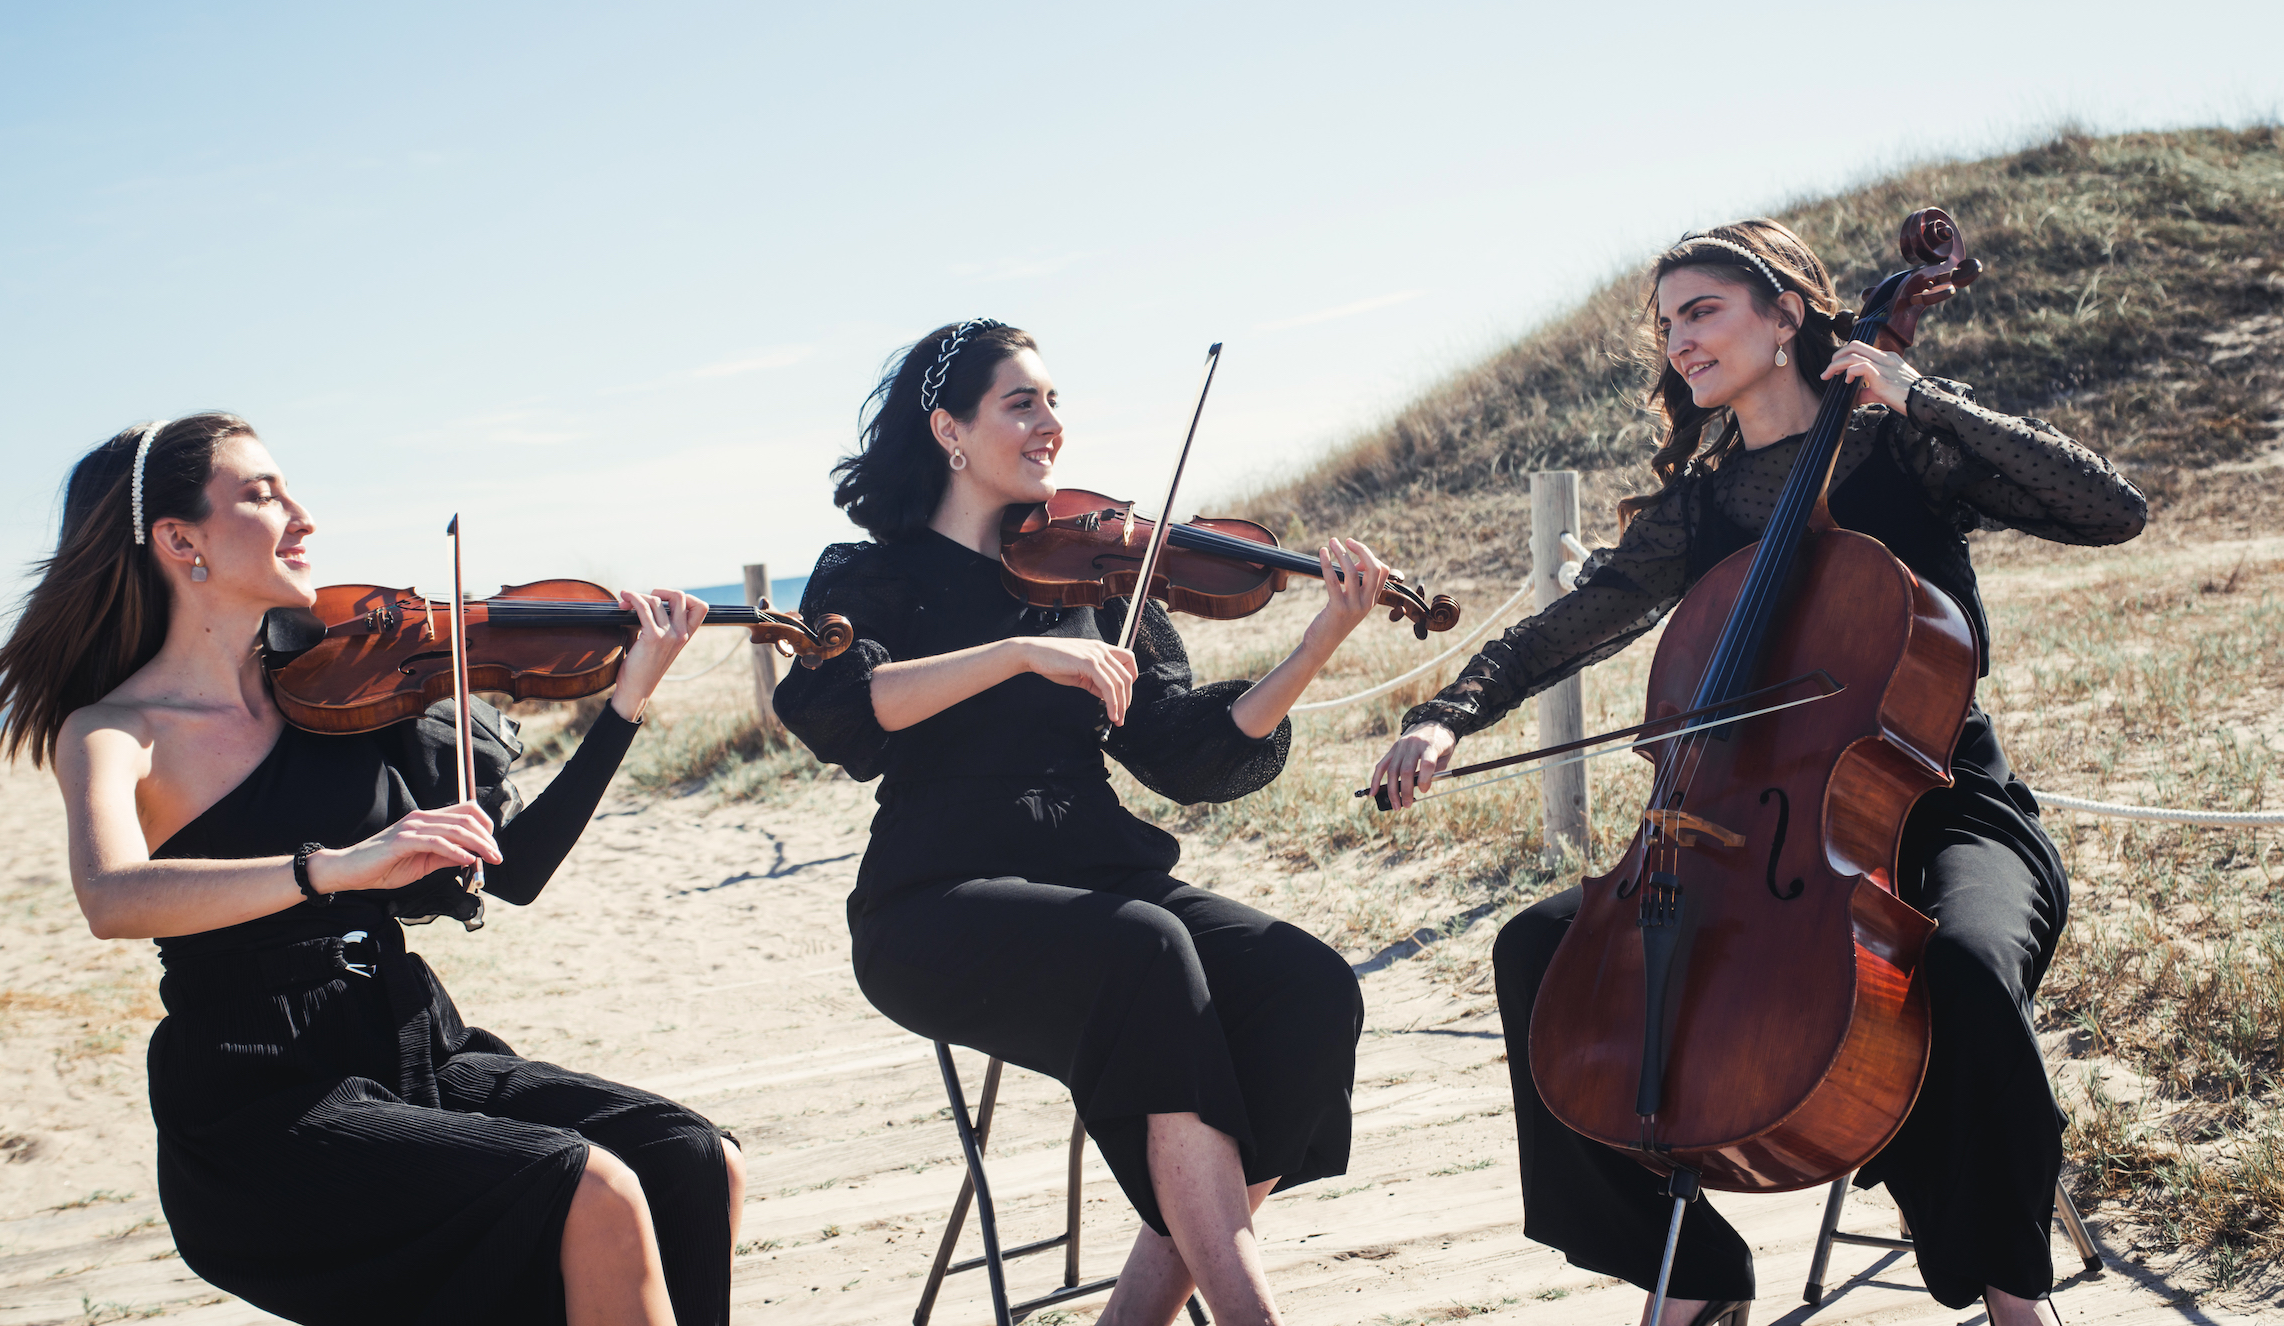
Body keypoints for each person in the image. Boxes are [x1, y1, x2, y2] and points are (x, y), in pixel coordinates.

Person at [1370, 221, 2147, 1326]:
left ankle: (2015, 1298)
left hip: (1947, 806)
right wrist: (1447, 716)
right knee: (1538, 949)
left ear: (1785, 314)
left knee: (1964, 968)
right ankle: (1687, 1269)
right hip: (1756, 840)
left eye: (1703, 311)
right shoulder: (1704, 506)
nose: (1679, 340)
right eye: (1667, 322)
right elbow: (1567, 628)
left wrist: (1922, 396)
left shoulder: (1900, 447)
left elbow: (2111, 510)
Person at [0, 412, 744, 1326]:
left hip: (409, 1041)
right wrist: (331, 868)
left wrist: (627, 701)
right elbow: (110, 896)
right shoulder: (115, 730)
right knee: (591, 1186)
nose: (303, 516)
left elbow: (515, 872)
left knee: (692, 1155)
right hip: (262, 1096)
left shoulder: (349, 690)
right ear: (180, 540)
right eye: (261, 494)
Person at [773, 321, 1385, 1326]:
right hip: (933, 904)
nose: (1051, 424)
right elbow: (844, 707)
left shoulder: (1096, 573)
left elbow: (1188, 749)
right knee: (1145, 949)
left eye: (1054, 400)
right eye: (1022, 402)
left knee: (1303, 982)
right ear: (949, 430)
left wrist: (1318, 640)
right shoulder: (871, 574)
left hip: (1098, 878)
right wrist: (1018, 652)